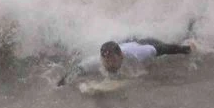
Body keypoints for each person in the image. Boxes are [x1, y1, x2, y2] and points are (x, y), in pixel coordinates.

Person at [57, 37, 193, 86]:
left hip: (145, 42)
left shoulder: (139, 54)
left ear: (121, 56)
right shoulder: (97, 61)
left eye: (112, 61)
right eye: (106, 61)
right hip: (124, 42)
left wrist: (185, 49)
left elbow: (163, 49)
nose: (109, 65)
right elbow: (78, 69)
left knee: (168, 48)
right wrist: (61, 83)